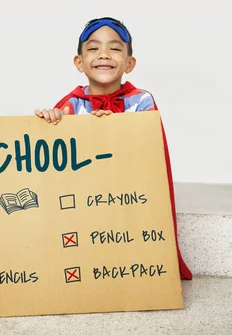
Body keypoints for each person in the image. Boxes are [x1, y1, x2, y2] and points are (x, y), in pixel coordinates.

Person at [35, 17, 192, 280]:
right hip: (86, 198)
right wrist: (51, 121)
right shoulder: (71, 105)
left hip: (127, 194)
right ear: (79, 62)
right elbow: (58, 160)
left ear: (129, 63)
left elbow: (148, 150)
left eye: (115, 48)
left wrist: (114, 128)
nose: (104, 55)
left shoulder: (141, 100)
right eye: (93, 48)